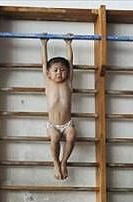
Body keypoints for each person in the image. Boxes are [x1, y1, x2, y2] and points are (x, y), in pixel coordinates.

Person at [41, 34, 76, 180]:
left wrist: (68, 44)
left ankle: (64, 162)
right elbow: (44, 63)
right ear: (48, 74)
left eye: (62, 70)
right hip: (52, 124)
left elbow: (70, 62)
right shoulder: (49, 83)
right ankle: (55, 163)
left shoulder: (68, 82)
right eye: (55, 70)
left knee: (72, 135)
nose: (59, 73)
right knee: (54, 137)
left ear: (67, 72)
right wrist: (44, 44)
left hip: (67, 123)